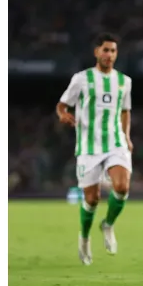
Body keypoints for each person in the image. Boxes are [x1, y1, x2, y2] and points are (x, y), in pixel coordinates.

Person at [56, 32, 133, 265]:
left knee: (121, 186)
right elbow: (62, 105)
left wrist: (127, 136)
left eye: (113, 51)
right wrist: (63, 115)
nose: (109, 55)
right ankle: (85, 237)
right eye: (106, 50)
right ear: (96, 52)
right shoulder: (81, 79)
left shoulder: (124, 81)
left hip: (115, 142)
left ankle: (108, 224)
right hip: (88, 146)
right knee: (92, 199)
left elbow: (125, 111)